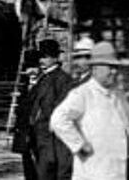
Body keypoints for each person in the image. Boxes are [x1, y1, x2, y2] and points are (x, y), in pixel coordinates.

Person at [51, 42, 129, 180]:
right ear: (95, 68)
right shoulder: (83, 94)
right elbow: (58, 119)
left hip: (121, 169)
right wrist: (79, 145)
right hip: (95, 171)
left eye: (115, 67)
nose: (114, 72)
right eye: (110, 67)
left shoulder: (117, 95)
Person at [29, 38, 72, 180]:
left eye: (46, 56)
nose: (42, 60)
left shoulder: (62, 79)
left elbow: (61, 110)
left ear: (55, 58)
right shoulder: (42, 77)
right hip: (38, 135)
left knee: (48, 173)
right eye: (40, 56)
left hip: (52, 137)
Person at [12, 50, 40, 180]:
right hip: (25, 133)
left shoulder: (44, 85)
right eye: (28, 68)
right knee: (28, 166)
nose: (31, 71)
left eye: (34, 67)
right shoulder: (25, 86)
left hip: (38, 134)